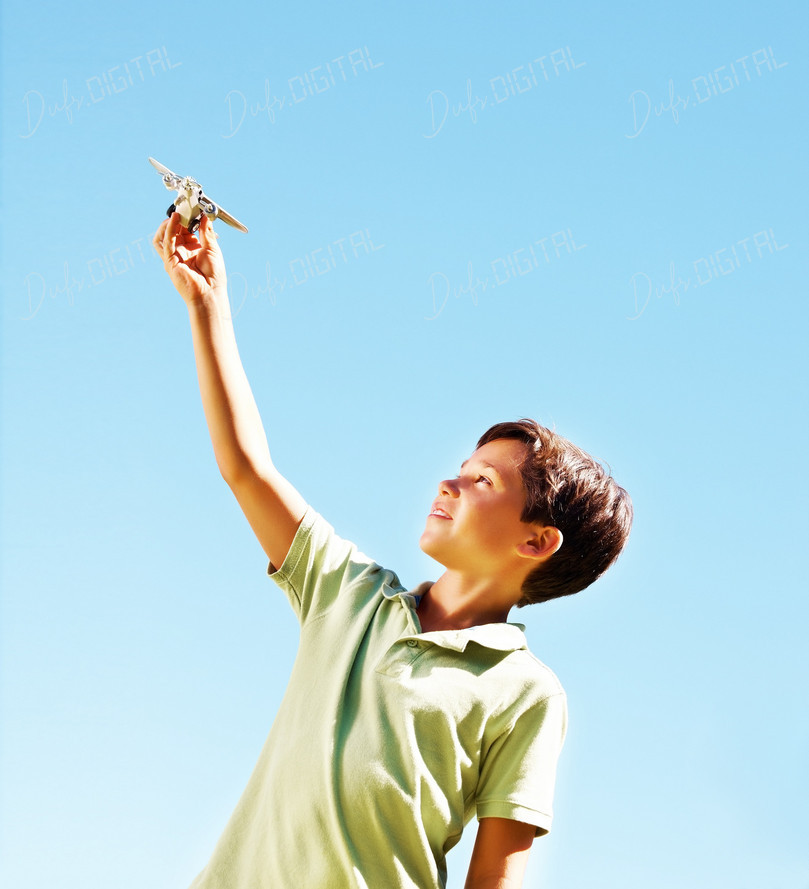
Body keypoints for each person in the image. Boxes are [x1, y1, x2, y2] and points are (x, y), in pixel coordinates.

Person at [153, 212, 633, 889]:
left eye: (483, 481)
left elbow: (495, 876)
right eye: (462, 467)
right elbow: (247, 467)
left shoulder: (525, 692)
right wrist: (208, 305)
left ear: (535, 541)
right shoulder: (347, 592)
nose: (449, 482)